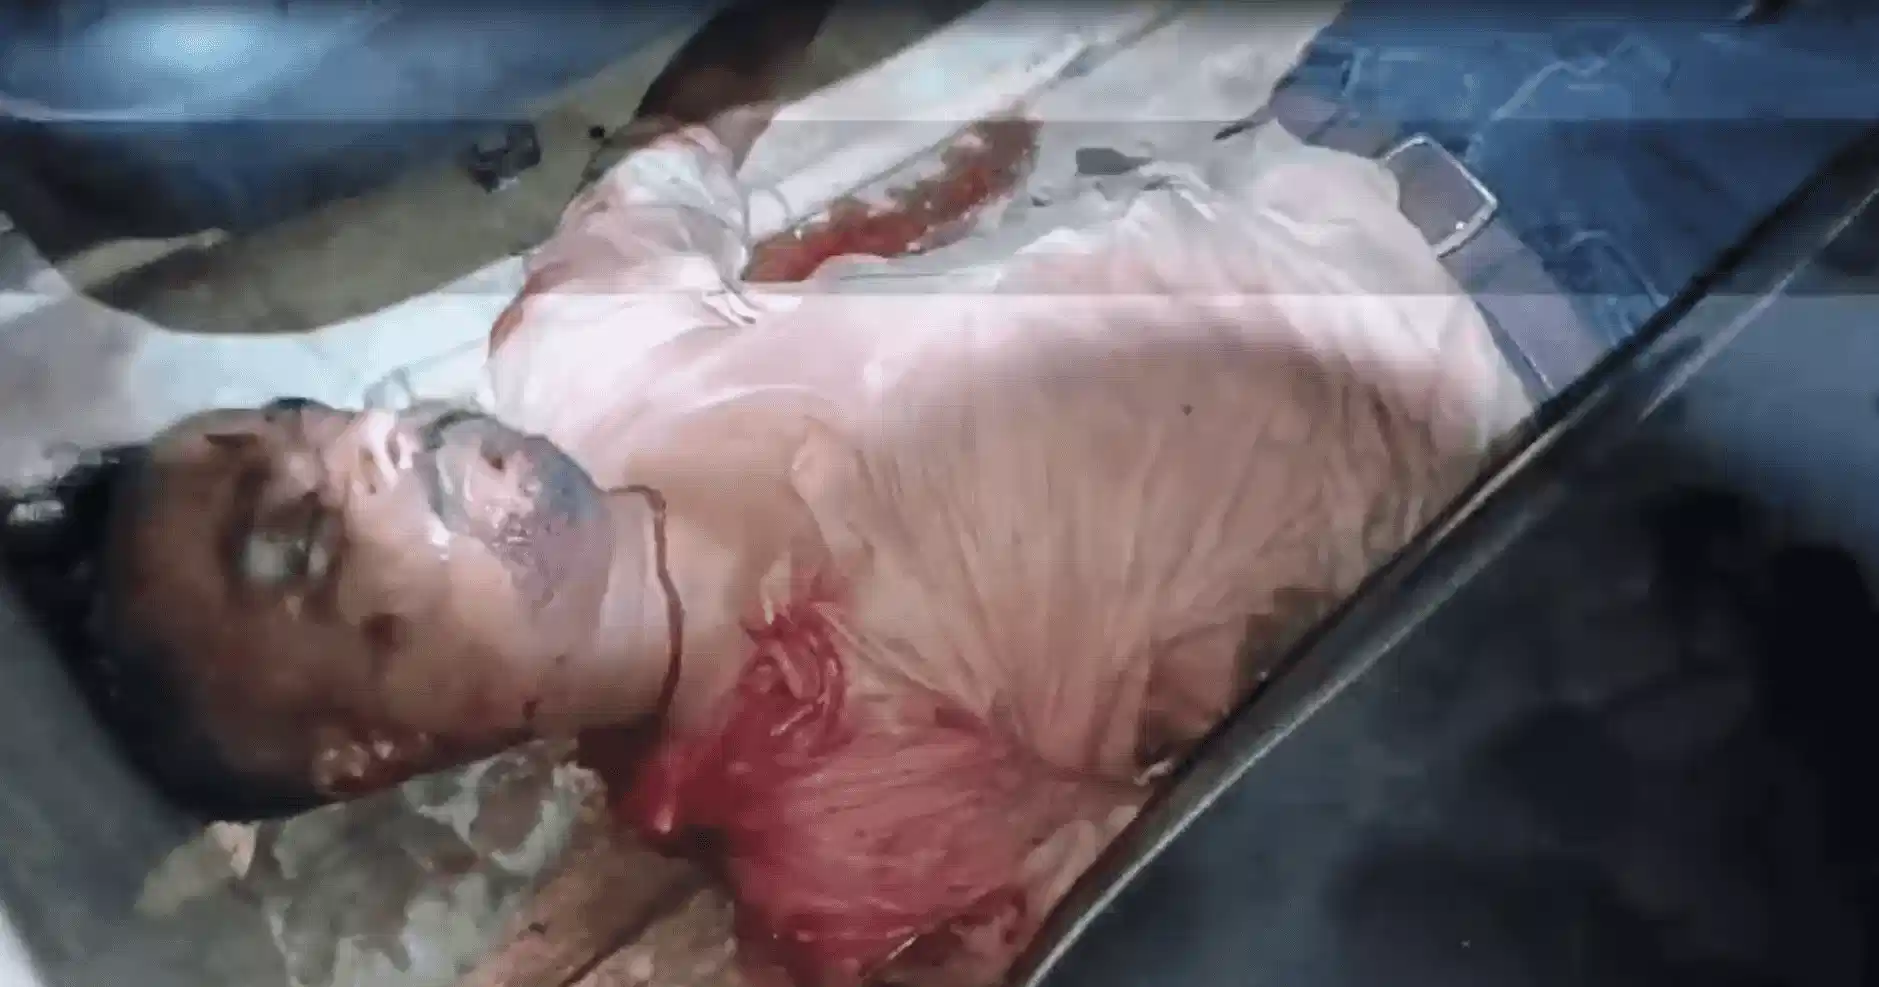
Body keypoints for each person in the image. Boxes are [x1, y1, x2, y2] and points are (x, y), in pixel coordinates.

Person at [0, 93, 1528, 984]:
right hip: (1558, 335)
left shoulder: (577, 353)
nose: (371, 436)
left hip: (1383, 99)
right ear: (363, 748)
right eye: (298, 537)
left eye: (304, 417)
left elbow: (675, 145)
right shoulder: (846, 826)